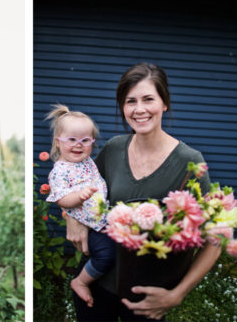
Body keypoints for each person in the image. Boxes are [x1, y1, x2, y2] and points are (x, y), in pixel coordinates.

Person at [65, 63, 218, 321]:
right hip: (96, 284)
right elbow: (76, 186)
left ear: (164, 103)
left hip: (147, 298)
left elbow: (214, 238)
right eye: (130, 101)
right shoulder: (113, 149)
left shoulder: (189, 162)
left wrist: (178, 293)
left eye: (148, 99)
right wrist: (71, 217)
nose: (139, 109)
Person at [44, 104, 113, 308]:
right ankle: (80, 282)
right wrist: (79, 197)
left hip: (101, 220)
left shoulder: (87, 162)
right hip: (89, 227)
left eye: (85, 140)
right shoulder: (60, 171)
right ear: (58, 142)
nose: (78, 145)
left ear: (92, 142)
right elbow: (62, 200)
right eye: (71, 140)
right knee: (107, 254)